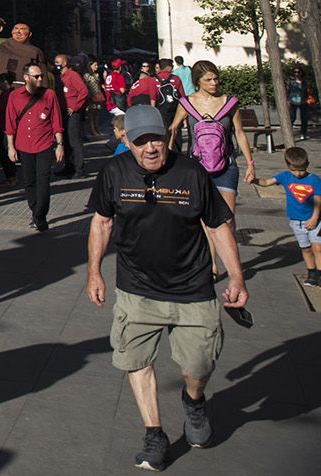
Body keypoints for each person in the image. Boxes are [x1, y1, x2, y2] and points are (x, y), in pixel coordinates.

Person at [85, 105, 246, 470]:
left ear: (168, 136)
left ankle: (194, 401)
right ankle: (154, 434)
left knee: (199, 365)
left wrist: (237, 276)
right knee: (136, 361)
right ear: (127, 140)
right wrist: (93, 271)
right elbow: (101, 223)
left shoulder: (192, 173)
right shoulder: (114, 172)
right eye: (140, 141)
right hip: (136, 288)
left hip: (192, 287)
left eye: (156, 138)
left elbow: (219, 225)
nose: (151, 148)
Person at [167, 61, 256, 279]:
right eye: (208, 80)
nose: (214, 83)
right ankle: (212, 265)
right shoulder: (187, 103)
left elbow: (240, 133)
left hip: (226, 166)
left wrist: (251, 164)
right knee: (205, 219)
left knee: (227, 218)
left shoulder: (229, 102)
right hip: (198, 168)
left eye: (216, 78)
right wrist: (168, 160)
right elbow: (173, 128)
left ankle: (230, 261)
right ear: (197, 81)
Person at [4, 63, 66, 232]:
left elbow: (56, 122)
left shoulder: (50, 95)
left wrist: (59, 145)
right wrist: (10, 147)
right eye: (36, 76)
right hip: (23, 145)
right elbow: (10, 124)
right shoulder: (15, 96)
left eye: (41, 76)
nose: (40, 79)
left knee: (43, 181)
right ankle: (35, 211)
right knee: (29, 182)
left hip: (44, 144)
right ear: (26, 78)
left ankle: (40, 215)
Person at [254, 146, 321, 286]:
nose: (298, 174)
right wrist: (254, 180)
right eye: (294, 170)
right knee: (306, 248)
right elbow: (266, 182)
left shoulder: (314, 180)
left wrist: (314, 218)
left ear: (307, 165)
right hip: (296, 221)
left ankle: (320, 273)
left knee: (318, 248)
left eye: (301, 169)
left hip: (314, 220)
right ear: (288, 166)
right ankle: (312, 272)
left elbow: (317, 201)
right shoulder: (285, 176)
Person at [54, 53, 90, 178]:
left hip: (73, 113)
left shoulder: (72, 75)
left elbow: (84, 91)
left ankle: (79, 169)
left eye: (58, 62)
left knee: (74, 141)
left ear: (64, 63)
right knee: (67, 141)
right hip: (63, 111)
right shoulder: (60, 76)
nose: (56, 64)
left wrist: (75, 107)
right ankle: (69, 166)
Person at [0, 22, 47, 86]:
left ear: (30, 34)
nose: (18, 31)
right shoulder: (3, 47)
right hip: (0, 87)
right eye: (16, 28)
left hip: (24, 88)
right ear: (12, 32)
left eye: (23, 29)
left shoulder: (35, 52)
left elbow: (42, 74)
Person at [83, 60, 107, 138]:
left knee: (97, 113)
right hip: (91, 95)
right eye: (95, 65)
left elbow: (99, 85)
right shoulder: (87, 75)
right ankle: (93, 129)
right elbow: (86, 86)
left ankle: (97, 128)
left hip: (98, 94)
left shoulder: (96, 74)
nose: (96, 67)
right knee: (91, 114)